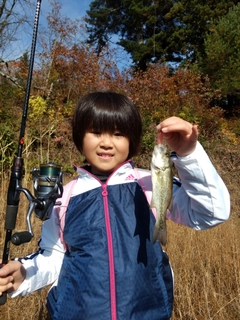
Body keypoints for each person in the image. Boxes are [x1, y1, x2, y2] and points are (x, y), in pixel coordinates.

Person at [0, 92, 230, 320]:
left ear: (132, 141)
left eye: (118, 134)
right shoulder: (64, 196)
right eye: (96, 132)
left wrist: (189, 154)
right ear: (80, 137)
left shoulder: (149, 182)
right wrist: (24, 274)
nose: (106, 143)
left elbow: (211, 213)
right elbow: (54, 256)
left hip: (147, 312)